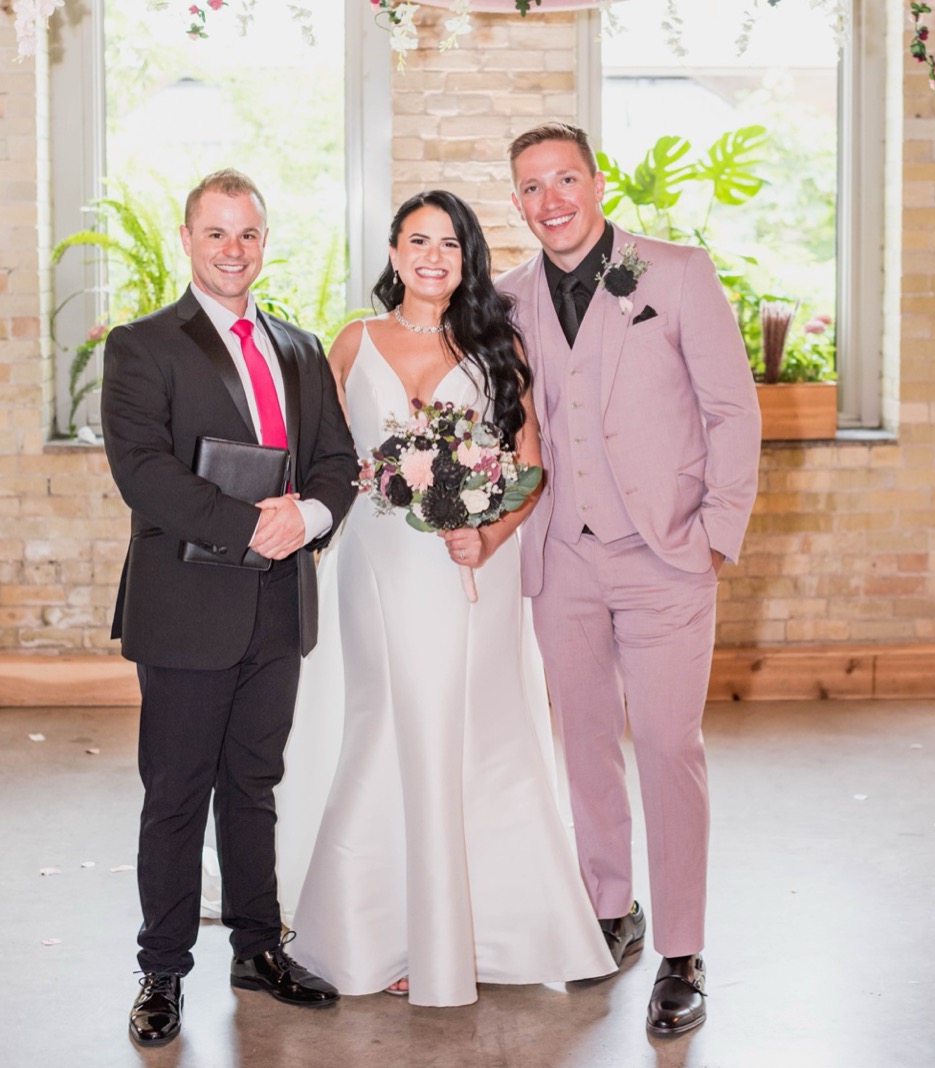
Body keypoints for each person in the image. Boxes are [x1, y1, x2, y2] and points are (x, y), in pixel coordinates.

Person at [285, 190, 616, 1008]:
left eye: (451, 245)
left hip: (468, 568)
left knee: (469, 736)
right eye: (417, 240)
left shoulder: (494, 344)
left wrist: (488, 536)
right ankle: (377, 930)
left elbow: (530, 464)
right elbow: (321, 458)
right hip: (372, 567)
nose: (433, 256)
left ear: (467, 261)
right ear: (394, 253)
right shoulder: (352, 342)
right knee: (384, 728)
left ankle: (476, 934)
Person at [497, 123, 761, 1036]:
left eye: (565, 178)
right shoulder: (507, 298)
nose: (551, 200)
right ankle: (609, 910)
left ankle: (682, 949)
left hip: (666, 555)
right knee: (583, 746)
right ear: (518, 200)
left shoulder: (676, 273)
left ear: (597, 182)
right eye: (531, 187)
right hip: (559, 557)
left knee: (664, 743)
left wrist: (715, 534)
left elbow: (732, 408)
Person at [100, 168, 358, 1047]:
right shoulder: (143, 345)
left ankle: (258, 947)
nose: (233, 250)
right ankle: (162, 972)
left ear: (264, 241)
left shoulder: (297, 344)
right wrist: (257, 525)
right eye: (217, 233)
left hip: (277, 609)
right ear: (187, 238)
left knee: (254, 787)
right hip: (186, 608)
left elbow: (335, 459)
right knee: (175, 795)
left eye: (247, 234)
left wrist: (309, 517)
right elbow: (143, 472)